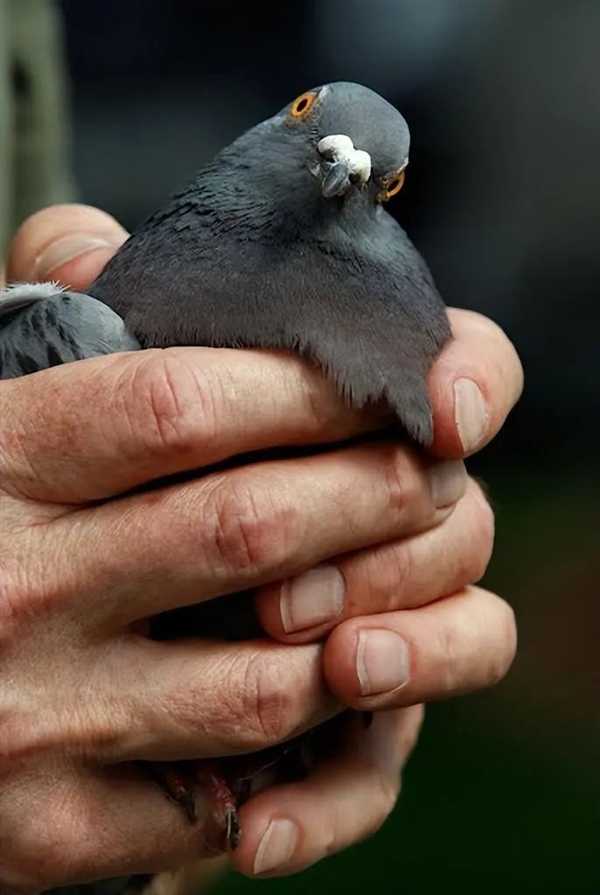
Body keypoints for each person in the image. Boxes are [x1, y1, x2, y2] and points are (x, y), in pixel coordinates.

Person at [0, 3, 523, 892]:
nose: (338, 154)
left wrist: (211, 768)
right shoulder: (79, 333)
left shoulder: (412, 342)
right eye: (309, 113)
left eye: (383, 184)